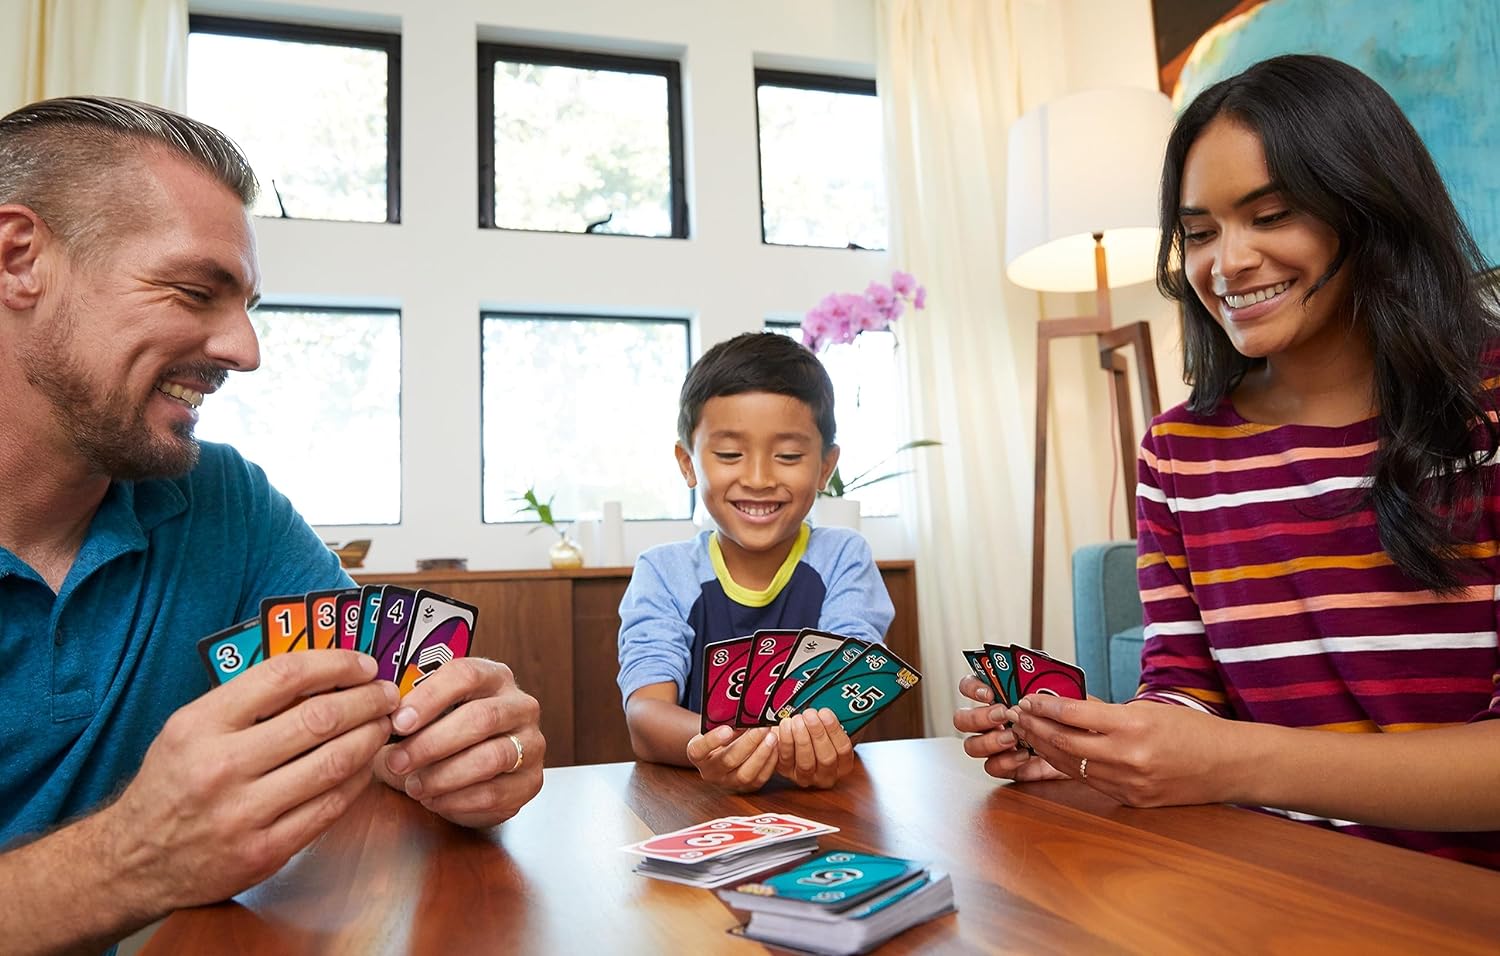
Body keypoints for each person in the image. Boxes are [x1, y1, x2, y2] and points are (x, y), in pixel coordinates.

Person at [0, 95, 545, 953]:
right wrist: (129, 861)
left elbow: (374, 714)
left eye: (247, 303)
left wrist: (456, 749)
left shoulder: (226, 500)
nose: (246, 350)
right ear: (18, 258)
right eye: (192, 291)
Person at [955, 54, 1500, 868]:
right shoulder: (1179, 452)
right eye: (1200, 233)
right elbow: (1185, 691)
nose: (1226, 262)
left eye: (1271, 214)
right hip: (1266, 884)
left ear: (1369, 208)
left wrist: (1233, 761)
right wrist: (1104, 747)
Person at [618, 332, 894, 792]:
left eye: (788, 456)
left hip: (822, 804)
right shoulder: (664, 573)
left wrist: (769, 745)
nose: (760, 478)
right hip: (696, 806)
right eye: (729, 454)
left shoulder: (845, 557)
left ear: (826, 467)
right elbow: (645, 716)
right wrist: (733, 745)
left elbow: (851, 699)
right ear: (687, 463)